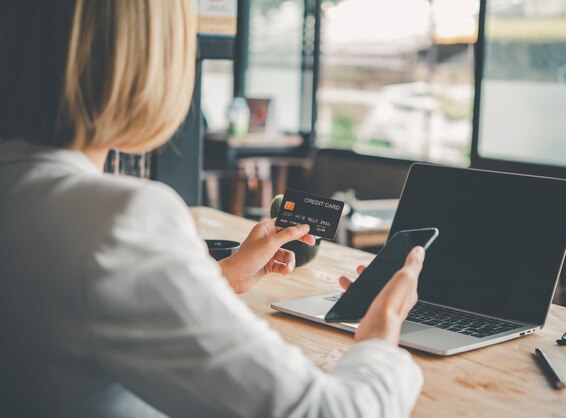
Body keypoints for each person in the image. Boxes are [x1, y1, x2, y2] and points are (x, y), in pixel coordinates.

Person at [0, 1, 426, 417]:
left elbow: (87, 310)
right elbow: (331, 411)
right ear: (145, 60)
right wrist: (380, 333)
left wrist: (222, 277)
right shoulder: (119, 220)